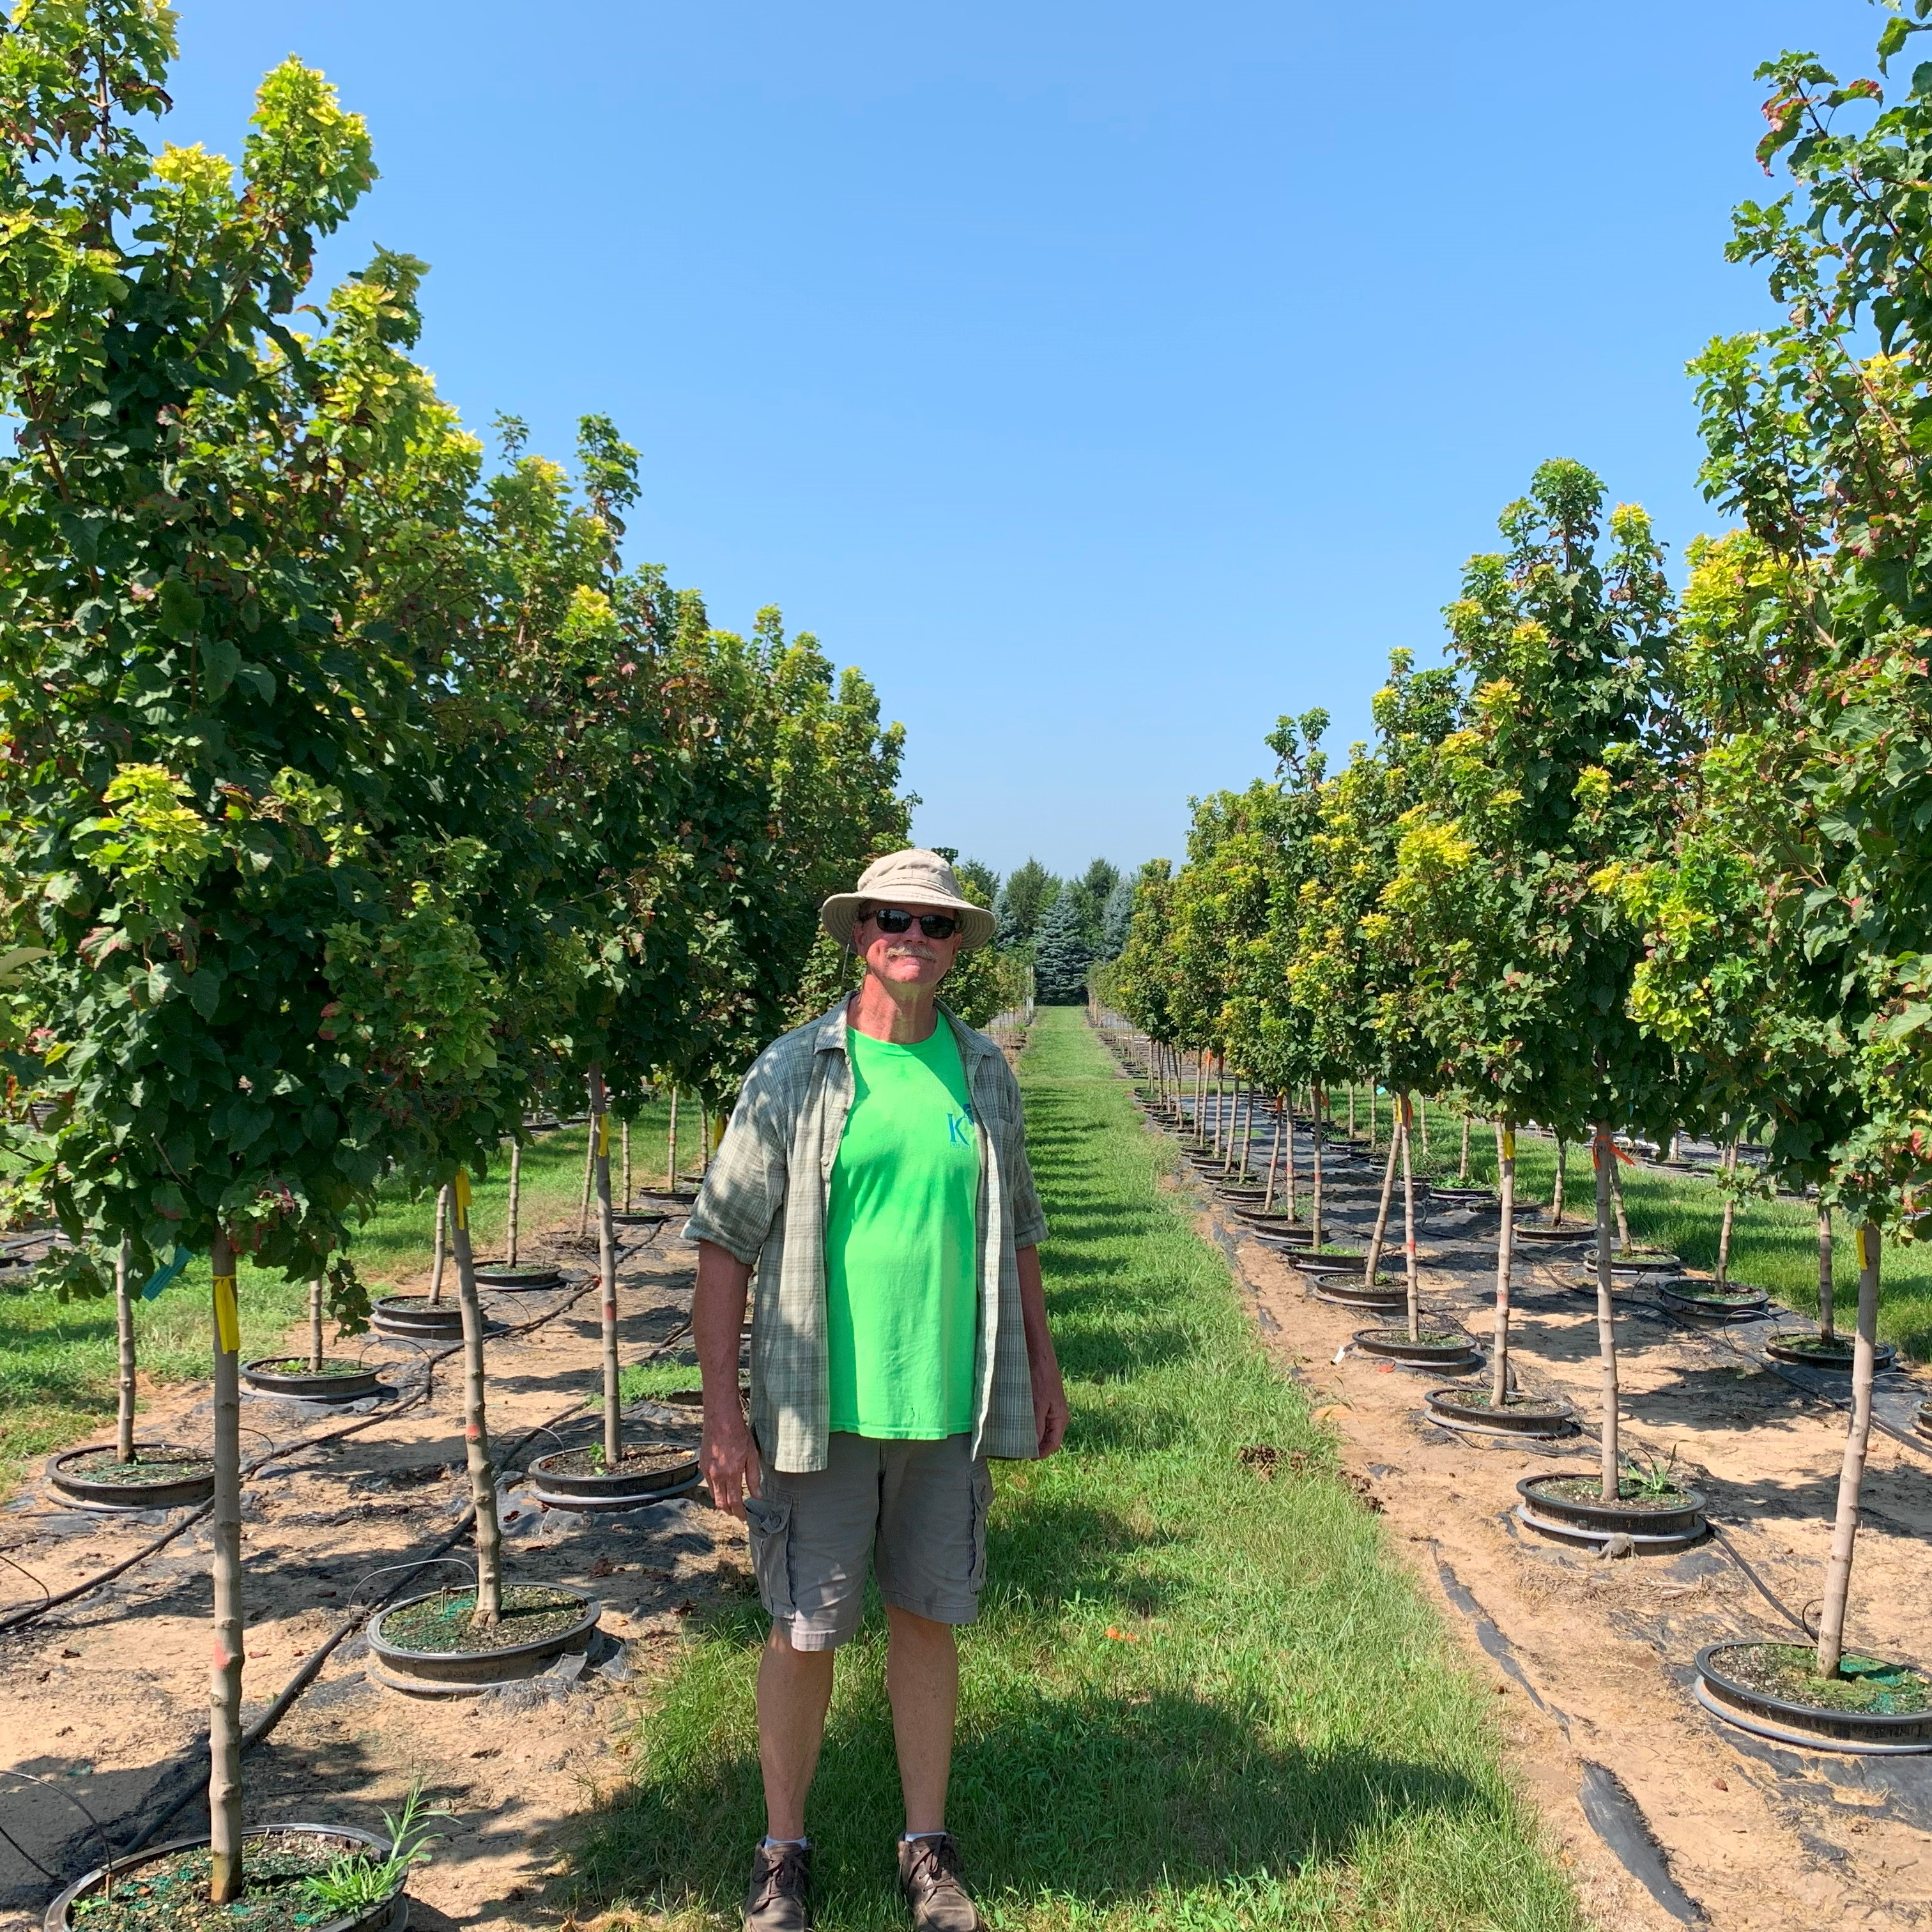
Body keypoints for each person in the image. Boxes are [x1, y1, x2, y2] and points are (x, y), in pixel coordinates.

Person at [687, 848, 1068, 1932]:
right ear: (860, 934)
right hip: (822, 1411)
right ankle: (782, 1854)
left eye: (935, 924)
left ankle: (926, 1851)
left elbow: (1023, 1231)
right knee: (805, 1630)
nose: (913, 936)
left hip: (950, 1404)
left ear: (956, 951)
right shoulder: (796, 1069)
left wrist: (1042, 1362)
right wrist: (724, 1416)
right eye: (892, 918)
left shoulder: (984, 1071)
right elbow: (723, 1242)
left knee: (928, 1620)